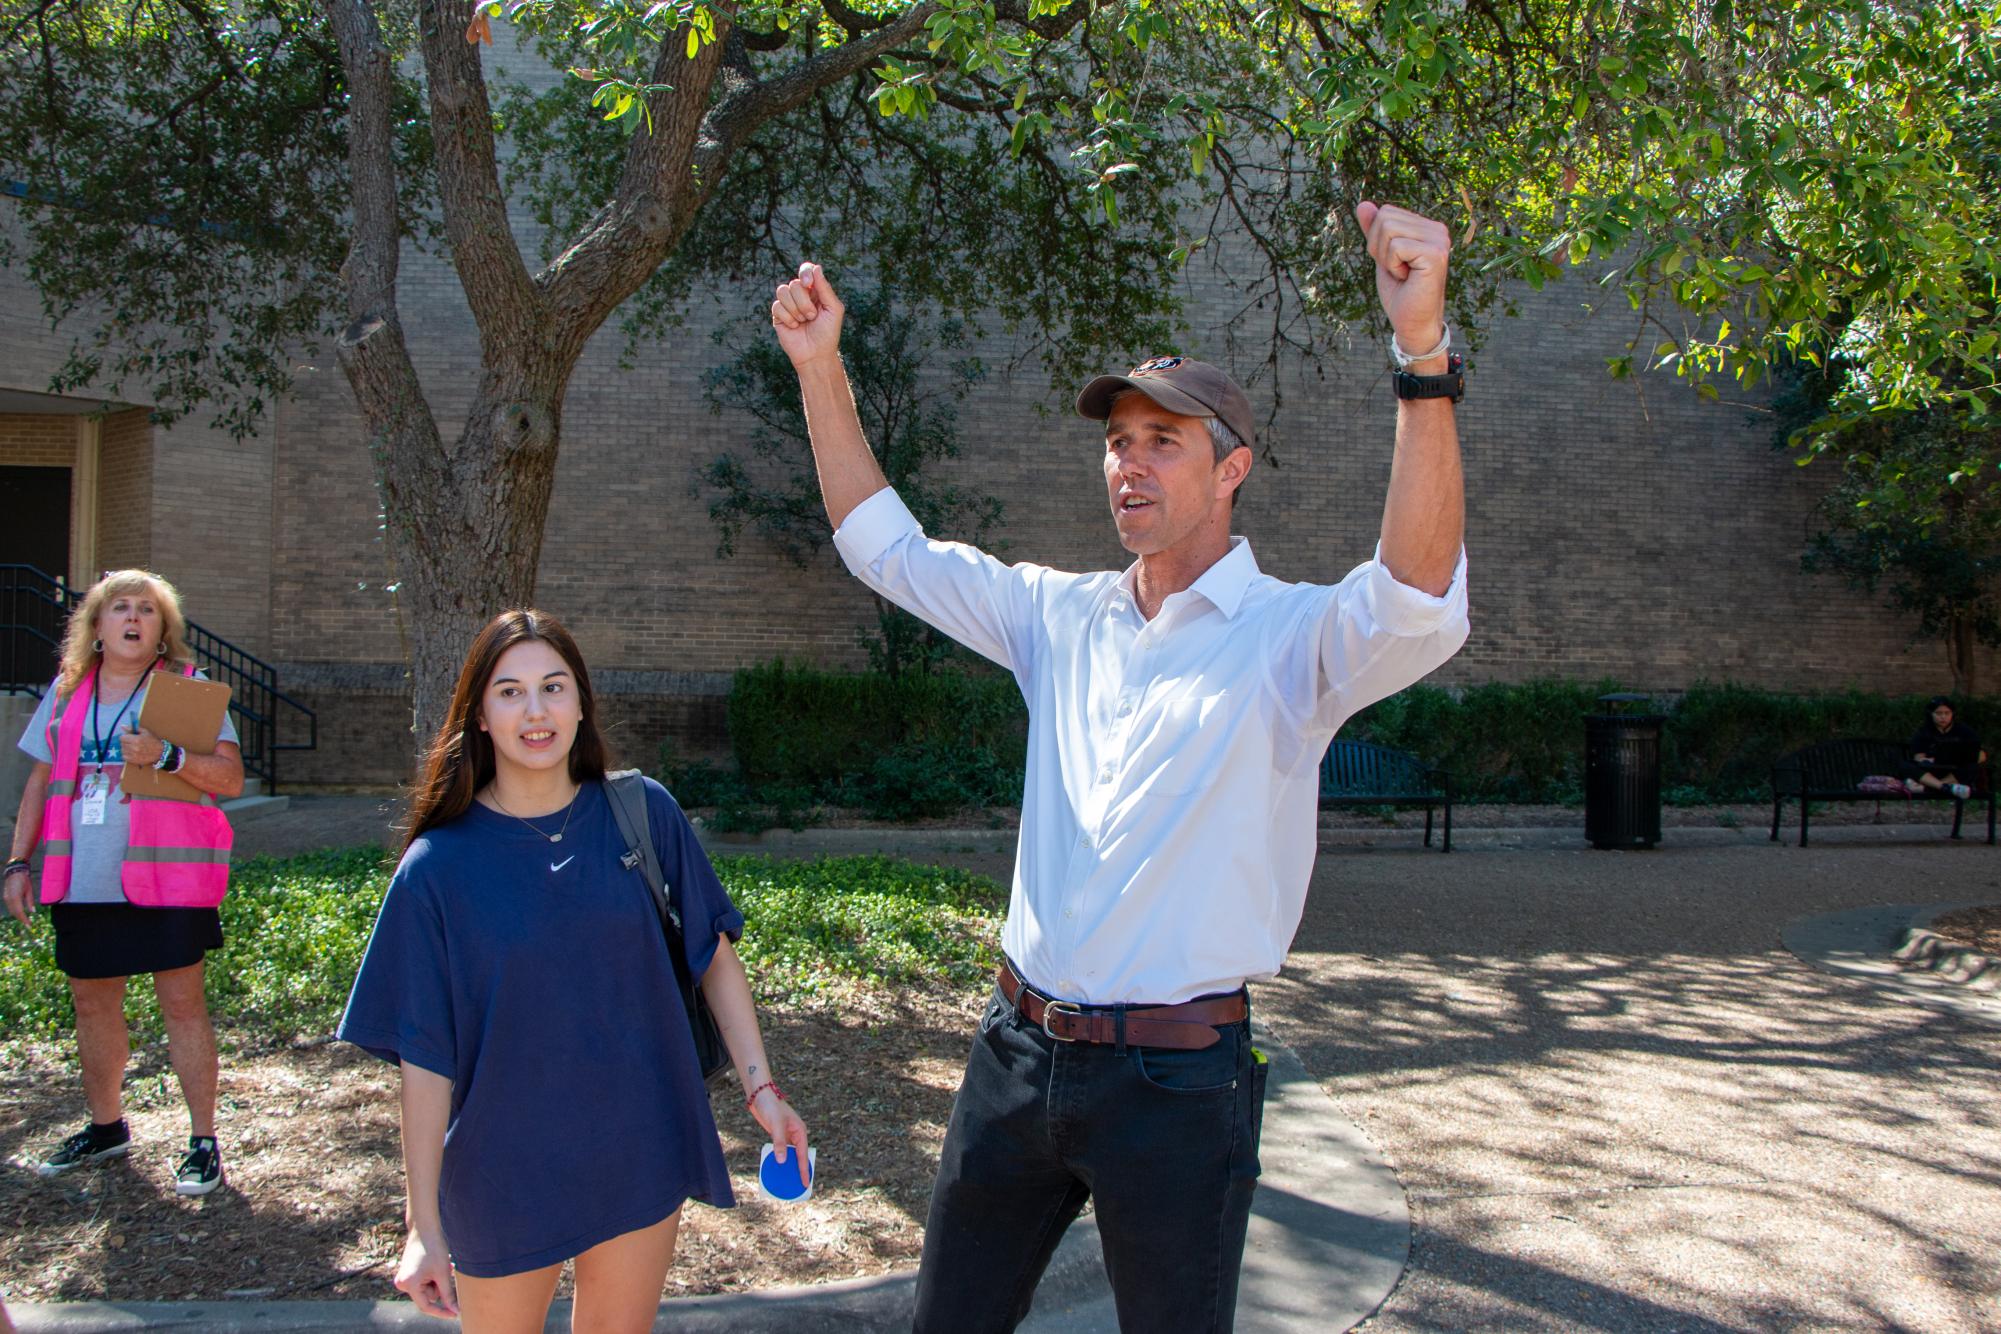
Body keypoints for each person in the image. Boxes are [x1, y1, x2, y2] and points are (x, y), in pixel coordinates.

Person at [769, 200, 1470, 1332]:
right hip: (1014, 1053)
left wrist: (1423, 354)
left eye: (1163, 441)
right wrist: (818, 365)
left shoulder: (1292, 639)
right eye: (1117, 440)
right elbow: (883, 544)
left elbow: (1417, 593)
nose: (1128, 464)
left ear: (1230, 467)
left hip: (1179, 1084)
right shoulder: (1057, 615)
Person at [337, 609, 810, 1330]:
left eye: (554, 687)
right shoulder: (436, 869)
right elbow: (423, 1060)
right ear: (480, 716)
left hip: (637, 1147)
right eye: (510, 691)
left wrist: (762, 1089)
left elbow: (713, 956)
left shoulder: (642, 814)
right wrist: (422, 1225)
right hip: (502, 1171)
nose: (536, 711)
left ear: (581, 702)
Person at [3, 569, 243, 1196]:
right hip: (81, 877)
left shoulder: (185, 691)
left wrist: (165, 756)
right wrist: (16, 863)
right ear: (97, 625)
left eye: (147, 610)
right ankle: (107, 1127)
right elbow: (38, 782)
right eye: (120, 608)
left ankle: (202, 1141)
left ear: (164, 630)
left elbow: (229, 778)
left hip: (167, 878)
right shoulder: (65, 694)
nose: (133, 618)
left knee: (182, 1004)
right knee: (92, 1002)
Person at [1906, 695, 1984, 799]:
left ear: (1952, 714)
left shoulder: (1965, 731)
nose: (1943, 717)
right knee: (1906, 765)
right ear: (1931, 714)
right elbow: (1918, 756)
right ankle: (1944, 787)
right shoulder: (1924, 732)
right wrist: (1927, 760)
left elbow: (1980, 754)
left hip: (1955, 770)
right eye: (1938, 713)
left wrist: (1964, 759)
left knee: (1972, 768)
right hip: (1933, 770)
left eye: (1947, 713)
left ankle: (1932, 787)